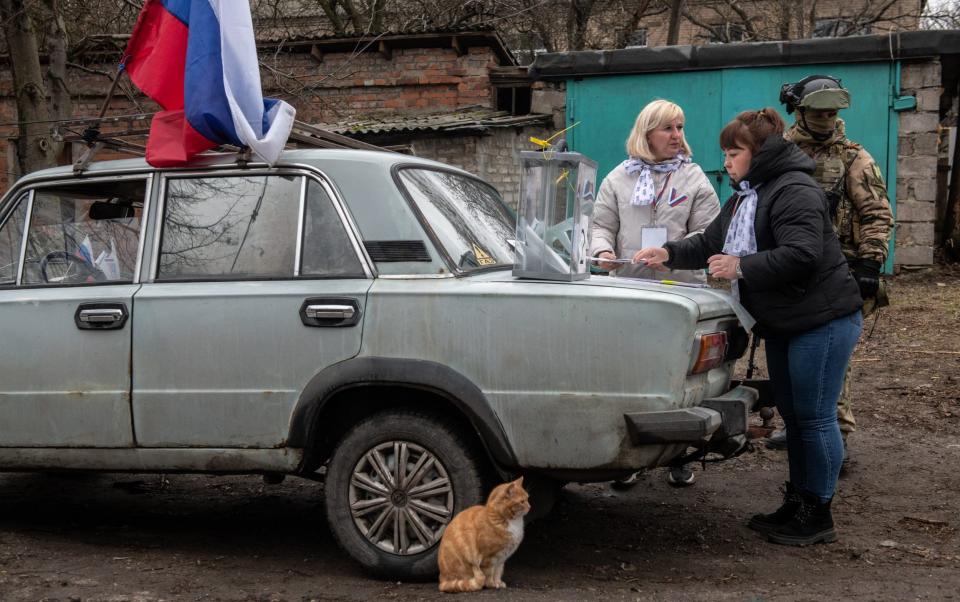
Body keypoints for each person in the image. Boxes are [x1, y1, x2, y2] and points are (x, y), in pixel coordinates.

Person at [635, 109, 863, 545]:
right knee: (796, 419)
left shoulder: (795, 190)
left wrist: (742, 266)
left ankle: (818, 513)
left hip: (822, 320)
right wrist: (666, 253)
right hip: (785, 321)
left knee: (814, 418)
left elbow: (803, 254)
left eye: (734, 152)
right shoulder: (747, 195)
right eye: (725, 152)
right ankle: (798, 502)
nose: (728, 161)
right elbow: (709, 242)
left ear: (759, 153)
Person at [764, 76, 895, 467]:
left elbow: (876, 213)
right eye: (817, 112)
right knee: (789, 348)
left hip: (839, 272)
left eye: (831, 113)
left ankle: (834, 432)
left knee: (830, 358)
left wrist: (870, 263)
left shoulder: (855, 158)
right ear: (799, 111)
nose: (825, 119)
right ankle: (797, 425)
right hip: (788, 270)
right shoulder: (780, 153)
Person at [590, 99, 721, 487]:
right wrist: (602, 252)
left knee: (679, 375)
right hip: (629, 291)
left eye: (680, 128)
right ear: (646, 133)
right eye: (668, 129)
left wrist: (674, 255)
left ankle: (680, 454)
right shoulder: (618, 178)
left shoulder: (694, 178)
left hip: (680, 292)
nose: (677, 137)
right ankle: (627, 459)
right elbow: (599, 226)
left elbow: (709, 234)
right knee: (627, 374)